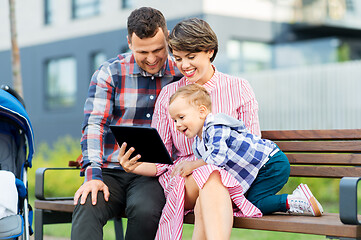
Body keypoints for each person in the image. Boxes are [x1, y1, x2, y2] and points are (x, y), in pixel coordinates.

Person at [119, 18, 263, 240]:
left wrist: (203, 163)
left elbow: (251, 146)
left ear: (210, 51)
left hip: (233, 174)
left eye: (191, 57)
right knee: (212, 176)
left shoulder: (239, 88)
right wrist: (134, 166)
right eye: (178, 58)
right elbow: (161, 159)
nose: (184, 65)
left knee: (213, 178)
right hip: (184, 179)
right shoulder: (169, 95)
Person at [71, 7, 181, 240]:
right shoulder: (109, 73)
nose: (151, 59)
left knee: (146, 210)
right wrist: (93, 176)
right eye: (143, 52)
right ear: (129, 42)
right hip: (110, 170)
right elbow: (94, 125)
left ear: (168, 38)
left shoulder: (180, 74)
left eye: (158, 50)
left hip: (152, 175)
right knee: (87, 204)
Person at [168, 83, 324, 218]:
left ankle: (295, 200)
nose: (177, 124)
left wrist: (192, 165)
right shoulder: (198, 142)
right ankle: (294, 200)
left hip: (271, 164)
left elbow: (217, 158)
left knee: (255, 204)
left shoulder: (215, 127)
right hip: (259, 170)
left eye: (181, 117)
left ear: (202, 111)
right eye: (174, 120)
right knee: (249, 204)